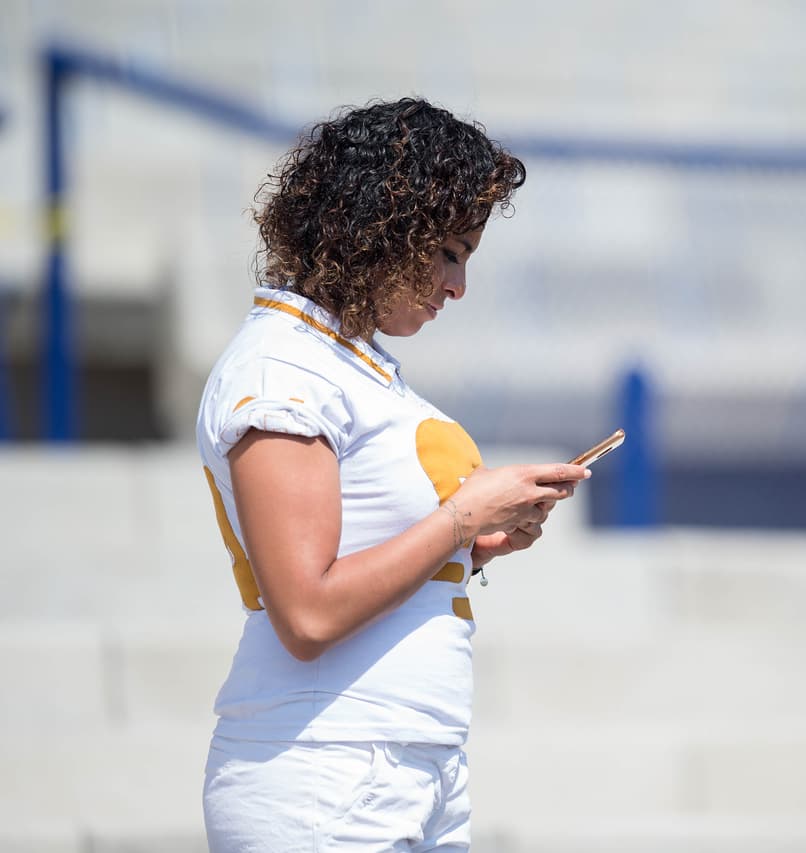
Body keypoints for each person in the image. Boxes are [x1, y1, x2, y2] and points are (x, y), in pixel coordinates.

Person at [197, 97, 590, 852]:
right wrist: (460, 519)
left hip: (406, 764)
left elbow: (366, 544)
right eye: (448, 251)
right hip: (324, 771)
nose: (458, 286)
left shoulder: (345, 361)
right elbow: (307, 613)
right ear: (382, 227)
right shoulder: (284, 367)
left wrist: (469, 549)